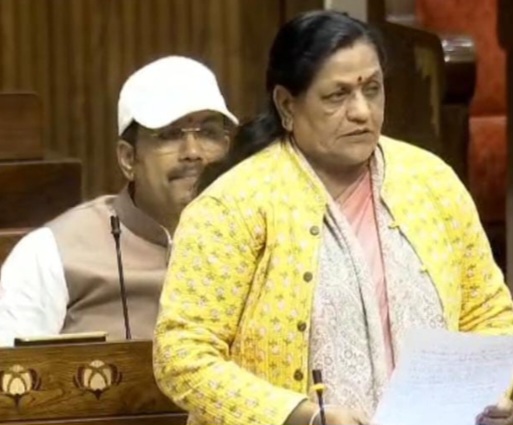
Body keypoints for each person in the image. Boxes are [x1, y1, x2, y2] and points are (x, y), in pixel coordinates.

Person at [152, 11, 513, 425]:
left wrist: (497, 395)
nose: (362, 111)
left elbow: (488, 313)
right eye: (337, 96)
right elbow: (182, 356)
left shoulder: (432, 181)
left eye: (372, 89)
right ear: (287, 105)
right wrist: (302, 417)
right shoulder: (234, 206)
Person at [0, 56, 237, 345]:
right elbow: (10, 368)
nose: (193, 152)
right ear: (128, 158)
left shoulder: (261, 239)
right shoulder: (52, 252)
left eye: (208, 133)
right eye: (170, 135)